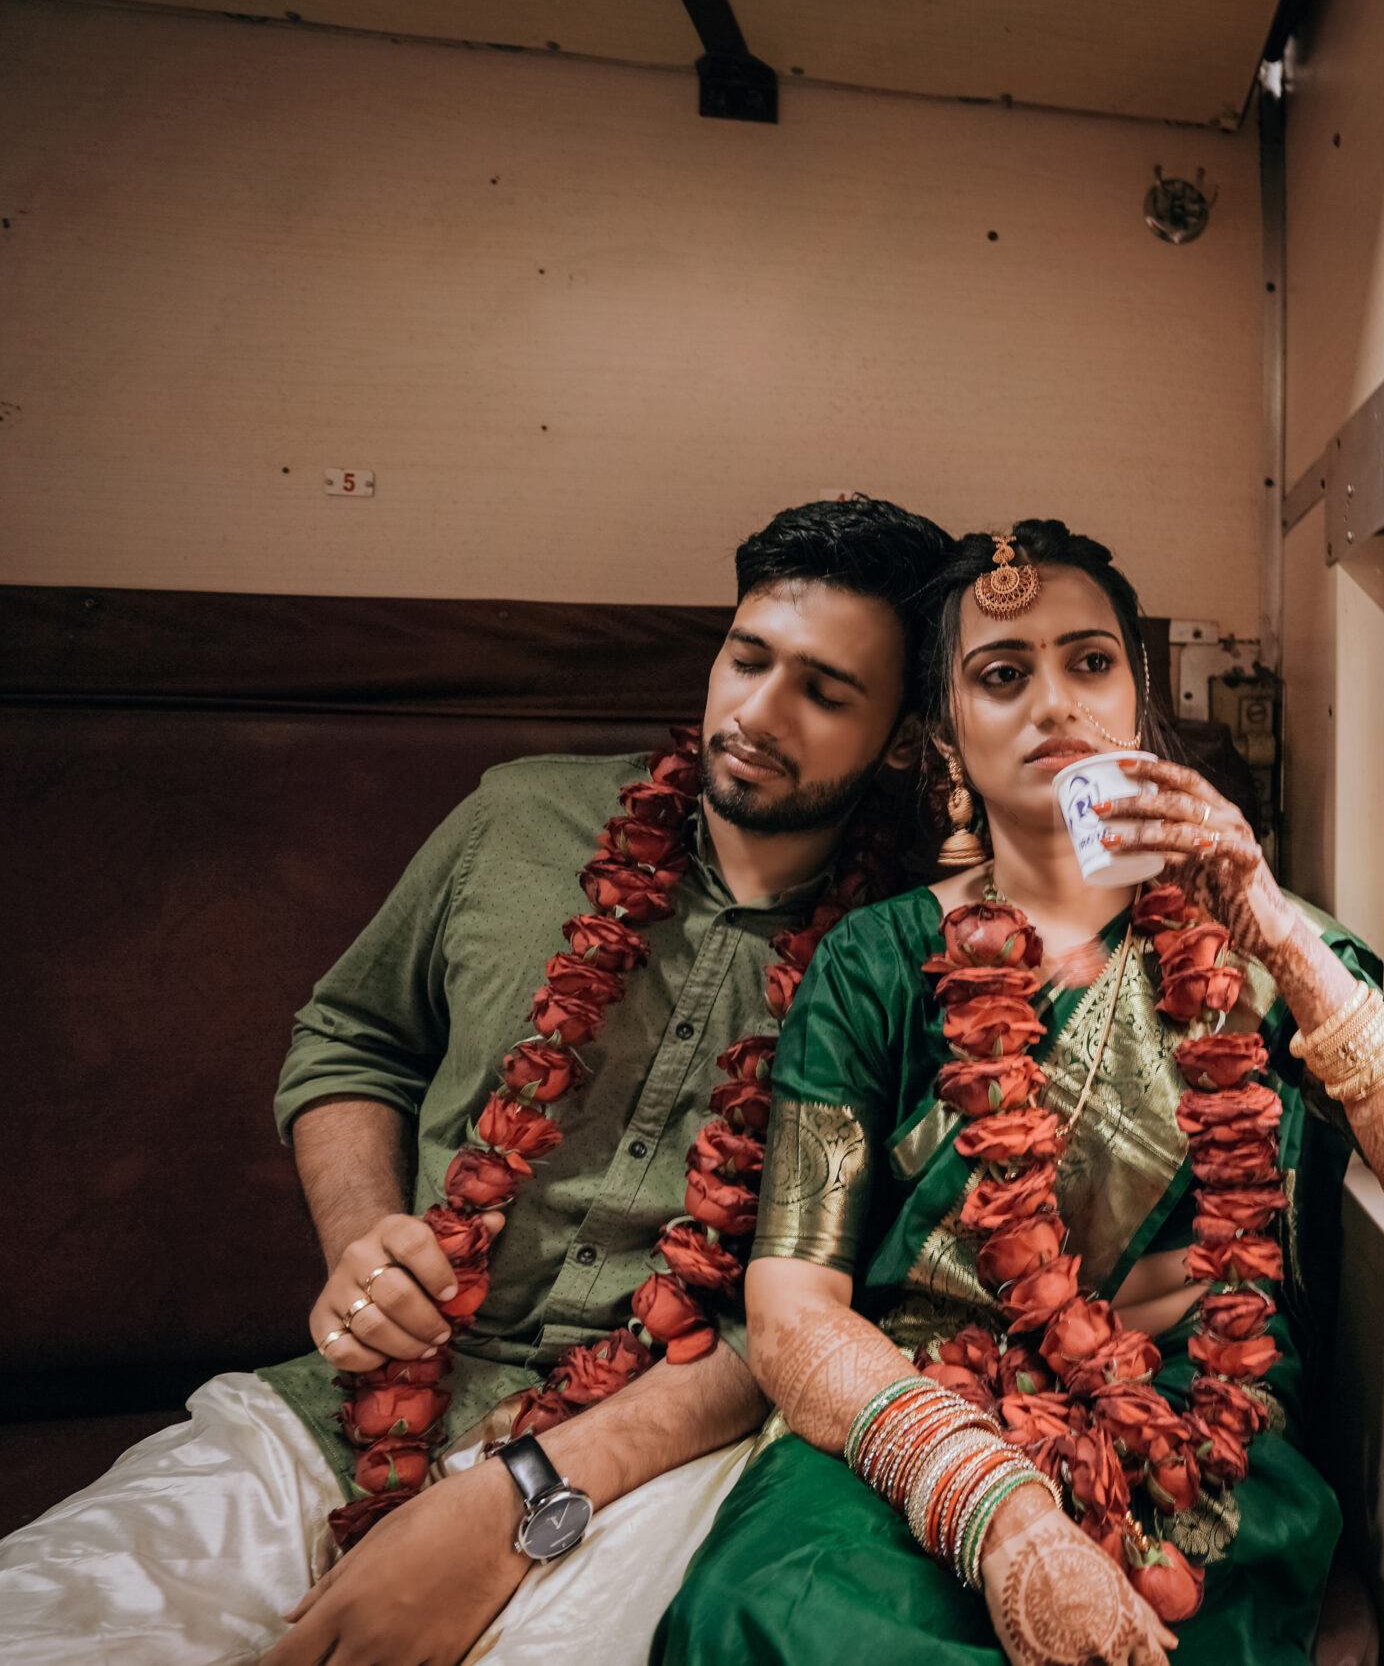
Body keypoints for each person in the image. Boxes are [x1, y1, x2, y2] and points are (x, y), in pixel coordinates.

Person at [0, 496, 955, 1666]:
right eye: (746, 657)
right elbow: (352, 1037)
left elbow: (843, 1304)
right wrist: (363, 1240)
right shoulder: (519, 815)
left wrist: (519, 1499)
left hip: (665, 1458)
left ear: (904, 738)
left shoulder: (923, 954)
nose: (756, 711)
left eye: (823, 690)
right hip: (347, 1407)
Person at [654, 520, 1384, 1666]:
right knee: (760, 1620)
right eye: (1002, 675)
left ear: (1138, 702)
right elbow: (793, 1315)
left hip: (1198, 1436)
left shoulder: (1271, 949)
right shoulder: (874, 963)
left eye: (1090, 662)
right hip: (918, 1423)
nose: (1054, 702)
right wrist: (998, 1517)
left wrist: (1269, 928)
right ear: (944, 736)